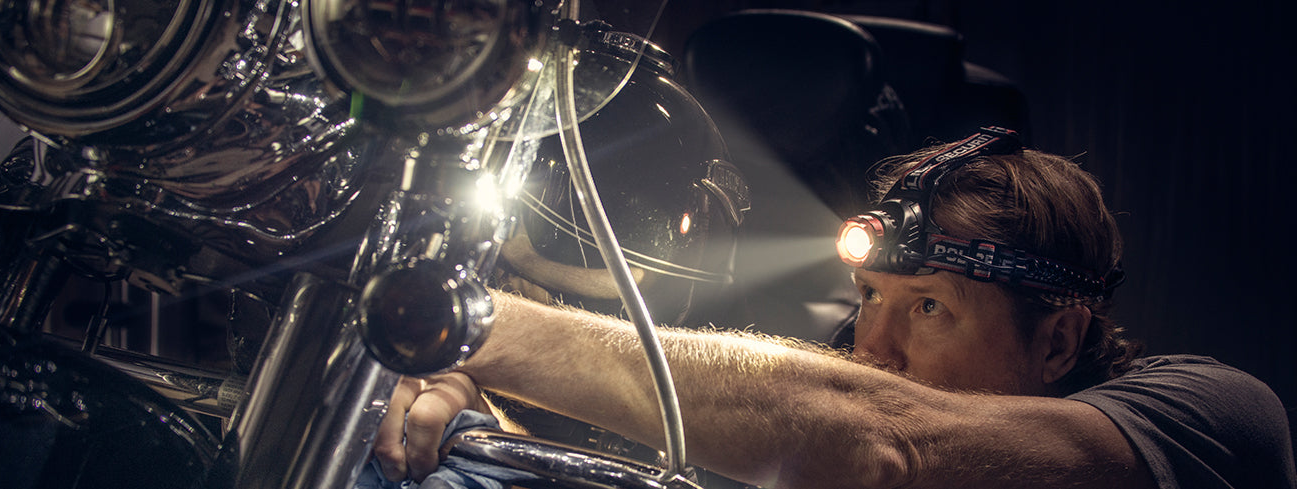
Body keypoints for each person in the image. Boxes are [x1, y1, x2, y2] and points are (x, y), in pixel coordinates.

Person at [371, 130, 1297, 489]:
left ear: (1058, 339)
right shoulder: (855, 379)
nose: (872, 345)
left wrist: (470, 322)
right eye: (870, 299)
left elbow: (882, 437)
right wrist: (463, 392)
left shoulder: (1211, 419)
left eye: (930, 306)